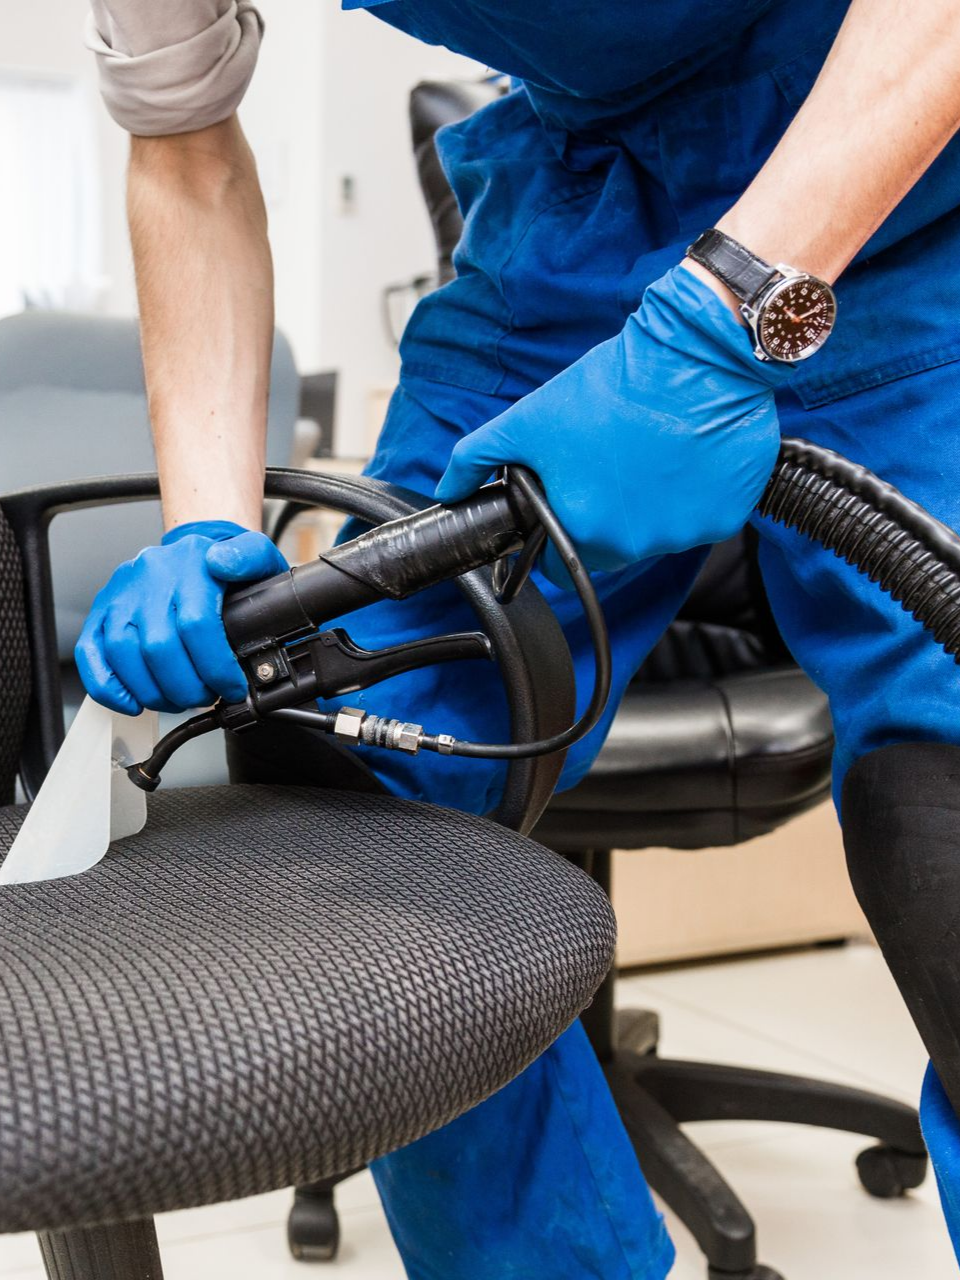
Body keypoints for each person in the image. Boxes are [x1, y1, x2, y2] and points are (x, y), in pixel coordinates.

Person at [77, 0, 960, 1273]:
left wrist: (726, 309)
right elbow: (184, 147)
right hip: (578, 234)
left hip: (912, 160)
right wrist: (205, 529)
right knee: (341, 797)